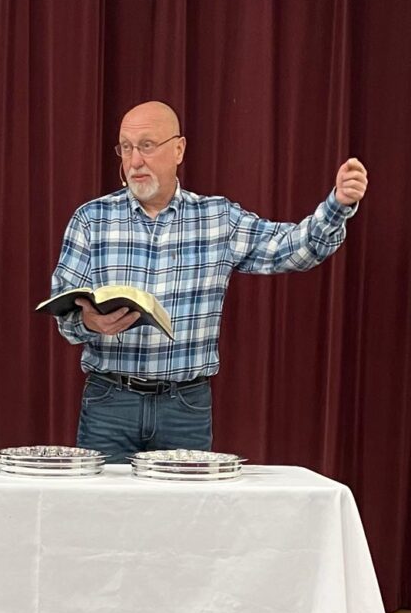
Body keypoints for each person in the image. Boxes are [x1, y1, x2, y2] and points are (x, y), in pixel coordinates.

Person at [50, 101, 368, 461]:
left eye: (147, 146)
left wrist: (338, 205)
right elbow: (63, 308)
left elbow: (293, 249)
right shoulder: (92, 219)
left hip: (184, 406)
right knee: (103, 514)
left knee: (186, 517)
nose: (135, 160)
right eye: (126, 148)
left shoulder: (218, 219)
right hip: (108, 402)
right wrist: (87, 321)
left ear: (179, 149)